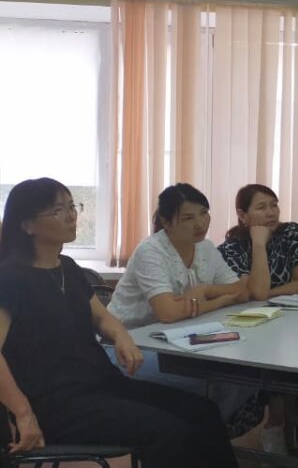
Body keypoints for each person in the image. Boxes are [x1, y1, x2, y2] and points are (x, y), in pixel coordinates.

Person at [0, 178, 236, 467]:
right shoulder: (9, 278)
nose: (72, 216)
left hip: (101, 384)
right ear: (27, 225)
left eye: (73, 207)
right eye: (59, 210)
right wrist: (23, 413)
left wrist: (122, 336)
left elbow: (102, 317)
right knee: (169, 433)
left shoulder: (68, 269)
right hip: (55, 403)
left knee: (203, 411)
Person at [106, 183, 257, 428]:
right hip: (129, 346)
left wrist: (206, 291)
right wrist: (221, 299)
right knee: (212, 381)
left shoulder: (205, 248)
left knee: (245, 375)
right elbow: (168, 313)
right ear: (166, 223)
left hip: (178, 340)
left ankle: (203, 436)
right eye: (188, 218)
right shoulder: (151, 251)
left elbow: (242, 290)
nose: (200, 223)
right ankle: (197, 436)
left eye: (204, 213)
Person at [218, 183, 298, 453]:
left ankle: (275, 426)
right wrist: (259, 244)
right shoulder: (231, 248)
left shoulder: (292, 233)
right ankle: (267, 429)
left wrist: (261, 295)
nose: (271, 212)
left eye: (274, 205)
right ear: (243, 215)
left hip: (293, 322)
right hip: (249, 326)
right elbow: (252, 293)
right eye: (261, 207)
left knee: (292, 360)